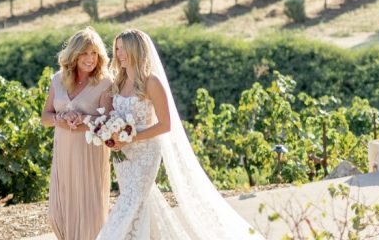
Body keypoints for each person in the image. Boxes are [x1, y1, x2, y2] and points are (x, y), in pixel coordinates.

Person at [96, 29, 265, 240]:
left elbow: (165, 125)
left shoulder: (151, 82)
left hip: (146, 150)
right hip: (123, 155)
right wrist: (110, 135)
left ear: (136, 50)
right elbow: (112, 116)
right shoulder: (118, 83)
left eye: (123, 49)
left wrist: (132, 137)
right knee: (140, 199)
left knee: (132, 199)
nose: (119, 53)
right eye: (117, 48)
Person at [41, 27, 113, 240]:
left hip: (89, 152)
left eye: (94, 53)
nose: (90, 58)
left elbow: (107, 123)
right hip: (63, 150)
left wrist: (82, 122)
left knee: (88, 214)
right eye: (85, 53)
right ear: (74, 54)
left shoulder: (105, 82)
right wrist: (59, 121)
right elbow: (45, 116)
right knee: (57, 213)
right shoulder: (58, 79)